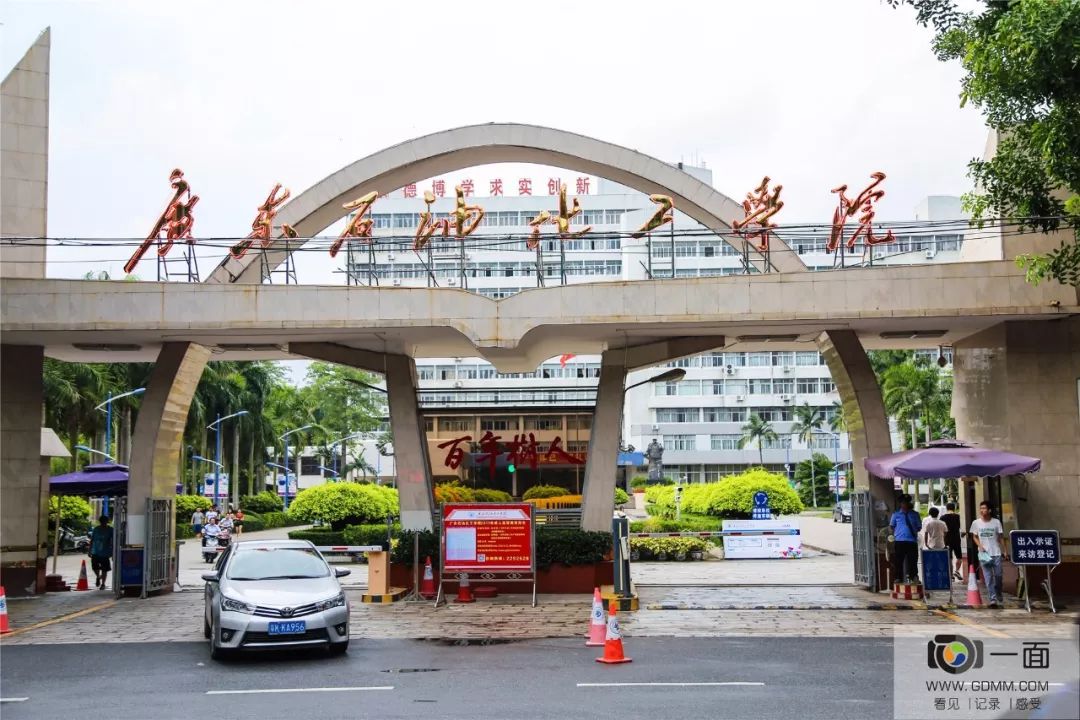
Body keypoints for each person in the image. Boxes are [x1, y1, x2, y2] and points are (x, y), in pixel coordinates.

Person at [970, 501, 1009, 608]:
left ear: (990, 510)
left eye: (984, 508)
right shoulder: (976, 523)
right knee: (988, 578)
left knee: (998, 576)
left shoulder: (996, 522)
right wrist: (980, 546)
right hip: (984, 554)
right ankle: (993, 599)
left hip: (996, 553)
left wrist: (1005, 550)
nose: (982, 510)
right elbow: (974, 536)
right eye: (981, 508)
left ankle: (999, 592)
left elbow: (1001, 537)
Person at [890, 495, 922, 583]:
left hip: (912, 541)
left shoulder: (915, 514)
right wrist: (899, 533)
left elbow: (919, 527)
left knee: (913, 560)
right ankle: (898, 577)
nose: (905, 504)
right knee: (898, 560)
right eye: (903, 502)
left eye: (907, 502)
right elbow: (892, 526)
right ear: (900, 504)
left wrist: (912, 530)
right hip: (900, 541)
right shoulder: (896, 514)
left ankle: (914, 576)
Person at [88, 515, 114, 589]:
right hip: (95, 552)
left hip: (105, 553)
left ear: (107, 522)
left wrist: (113, 552)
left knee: (104, 569)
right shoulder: (96, 529)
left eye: (105, 522)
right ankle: (98, 577)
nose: (103, 523)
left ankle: (103, 584)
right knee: (95, 567)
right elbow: (92, 540)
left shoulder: (110, 530)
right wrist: (89, 550)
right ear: (100, 522)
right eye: (102, 522)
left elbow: (113, 541)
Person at [940, 501, 964, 581]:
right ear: (954, 508)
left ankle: (951, 575)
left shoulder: (943, 518)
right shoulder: (958, 517)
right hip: (956, 539)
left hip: (947, 539)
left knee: (949, 557)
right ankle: (957, 571)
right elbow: (961, 527)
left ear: (946, 508)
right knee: (959, 557)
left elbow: (942, 530)